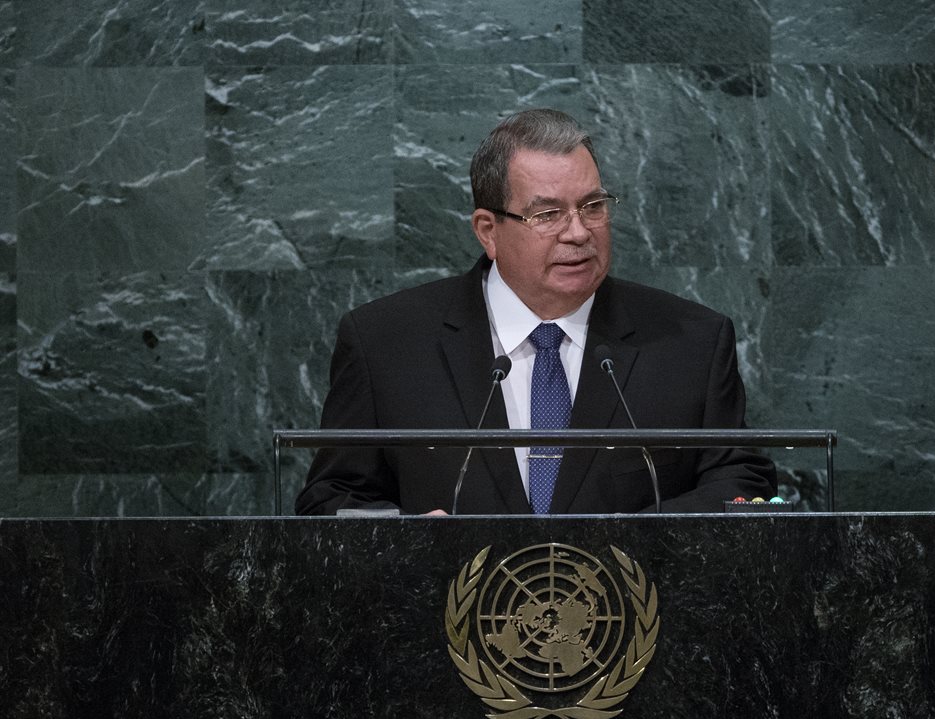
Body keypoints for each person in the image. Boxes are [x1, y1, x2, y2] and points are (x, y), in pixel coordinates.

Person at [295, 108, 775, 515]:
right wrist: (408, 542)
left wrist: (640, 539)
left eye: (592, 206)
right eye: (547, 215)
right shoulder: (387, 342)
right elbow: (331, 497)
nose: (578, 232)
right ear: (488, 230)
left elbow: (743, 483)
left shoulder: (691, 341)